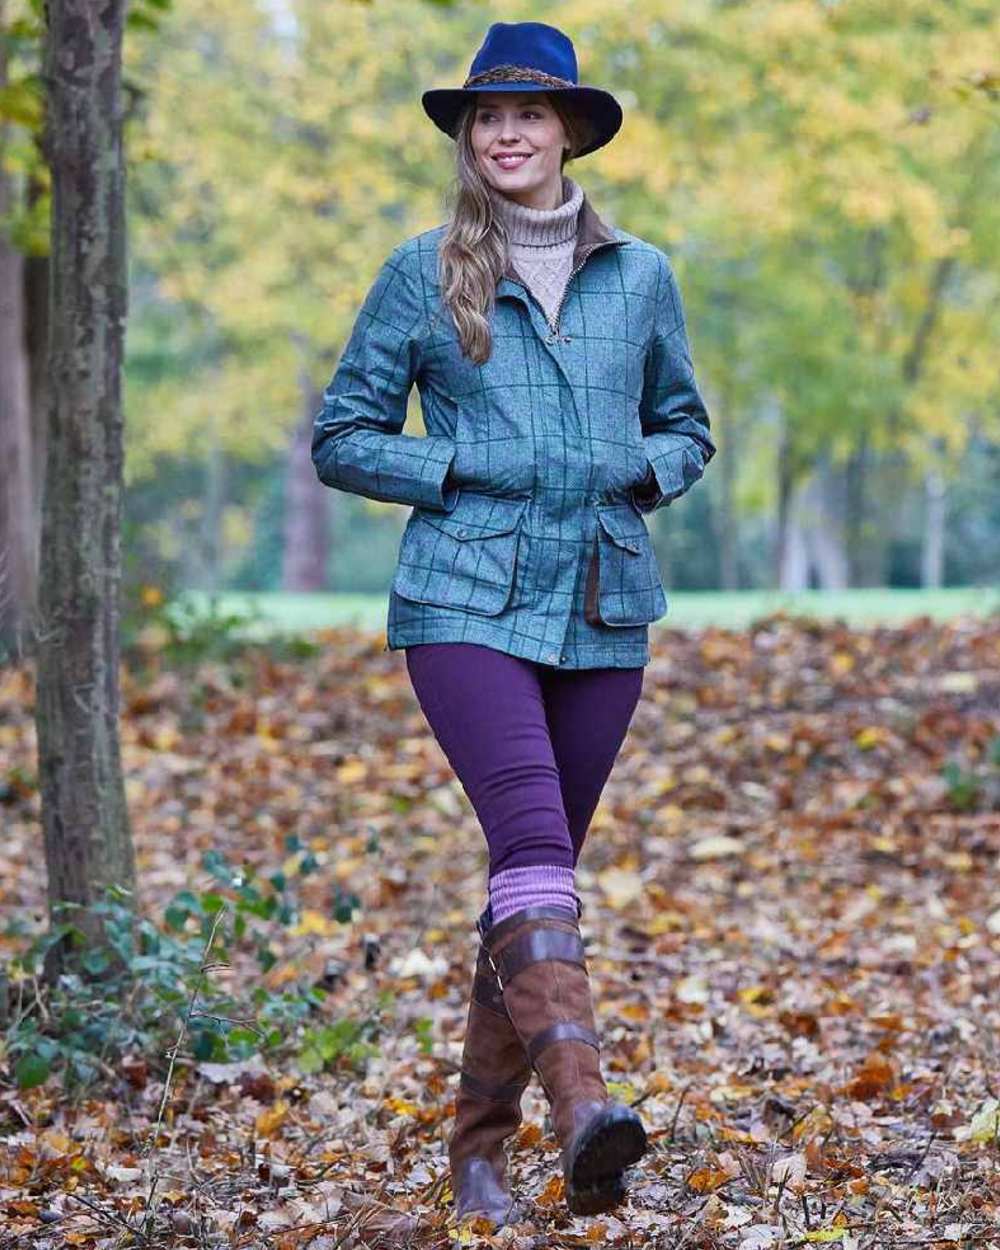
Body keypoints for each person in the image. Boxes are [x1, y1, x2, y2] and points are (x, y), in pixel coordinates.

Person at [311, 19, 715, 1230]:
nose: (505, 133)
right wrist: (458, 467)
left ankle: (478, 1156)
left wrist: (635, 469)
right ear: (467, 137)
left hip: (601, 601)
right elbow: (342, 435)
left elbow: (687, 428)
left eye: (528, 113)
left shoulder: (641, 276)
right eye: (486, 116)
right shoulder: (419, 270)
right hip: (464, 596)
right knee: (533, 844)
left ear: (569, 130)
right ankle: (587, 1108)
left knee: (531, 883)